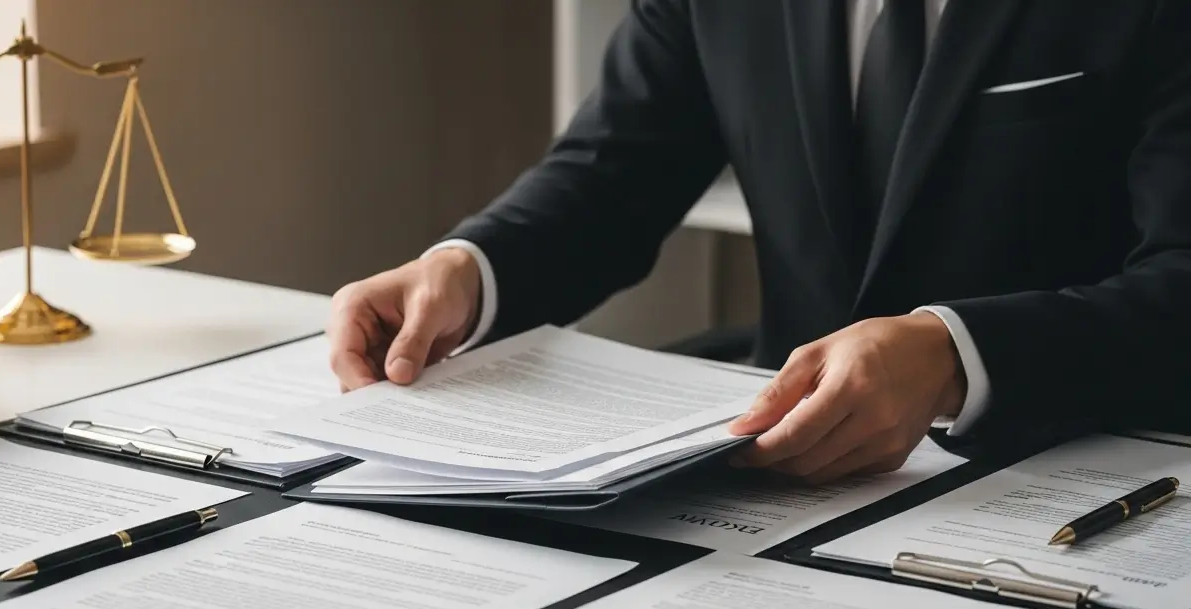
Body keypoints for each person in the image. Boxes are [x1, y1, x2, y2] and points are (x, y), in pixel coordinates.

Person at [325, 0, 1191, 483]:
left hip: (1071, 474)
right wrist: (470, 269)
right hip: (771, 465)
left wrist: (956, 354)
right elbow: (612, 173)